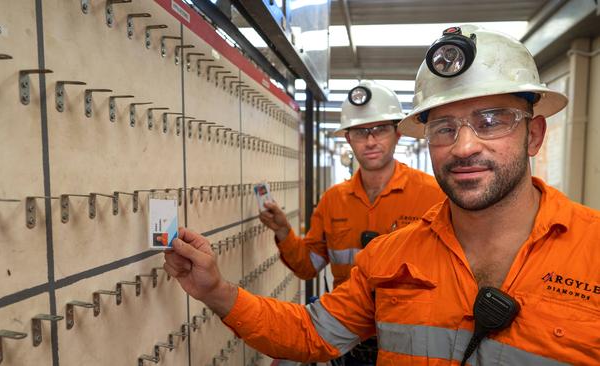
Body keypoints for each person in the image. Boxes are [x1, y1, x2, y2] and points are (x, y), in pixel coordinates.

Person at [163, 25, 599, 365]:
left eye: (492, 121)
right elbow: (311, 330)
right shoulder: (386, 254)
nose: (464, 146)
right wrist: (216, 290)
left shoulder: (592, 249)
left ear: (534, 135)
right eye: (444, 128)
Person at [260, 81, 444, 365]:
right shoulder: (333, 200)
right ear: (348, 138)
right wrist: (284, 231)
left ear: (397, 133)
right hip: (349, 342)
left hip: (412, 342)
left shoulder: (432, 194)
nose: (370, 141)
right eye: (360, 132)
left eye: (379, 129)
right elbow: (308, 266)